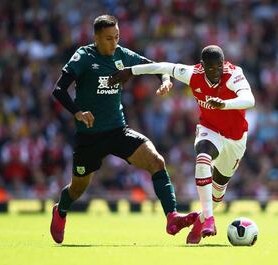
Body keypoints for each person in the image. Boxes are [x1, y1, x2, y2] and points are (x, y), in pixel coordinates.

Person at [50, 14, 198, 244]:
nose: (114, 43)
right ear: (96, 38)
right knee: (78, 188)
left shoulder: (122, 54)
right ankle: (61, 210)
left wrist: (165, 80)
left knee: (157, 162)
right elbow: (59, 90)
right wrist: (78, 112)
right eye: (109, 38)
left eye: (117, 37)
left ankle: (172, 216)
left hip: (118, 131)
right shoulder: (84, 56)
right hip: (89, 137)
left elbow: (156, 67)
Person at [109, 45, 255, 244]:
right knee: (203, 158)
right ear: (202, 66)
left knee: (218, 195)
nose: (215, 72)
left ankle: (198, 220)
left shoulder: (234, 74)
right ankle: (209, 220)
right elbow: (162, 67)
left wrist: (224, 104)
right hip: (209, 129)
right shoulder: (192, 74)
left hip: (236, 139)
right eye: (210, 68)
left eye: (218, 67)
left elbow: (249, 99)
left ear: (223, 64)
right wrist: (130, 71)